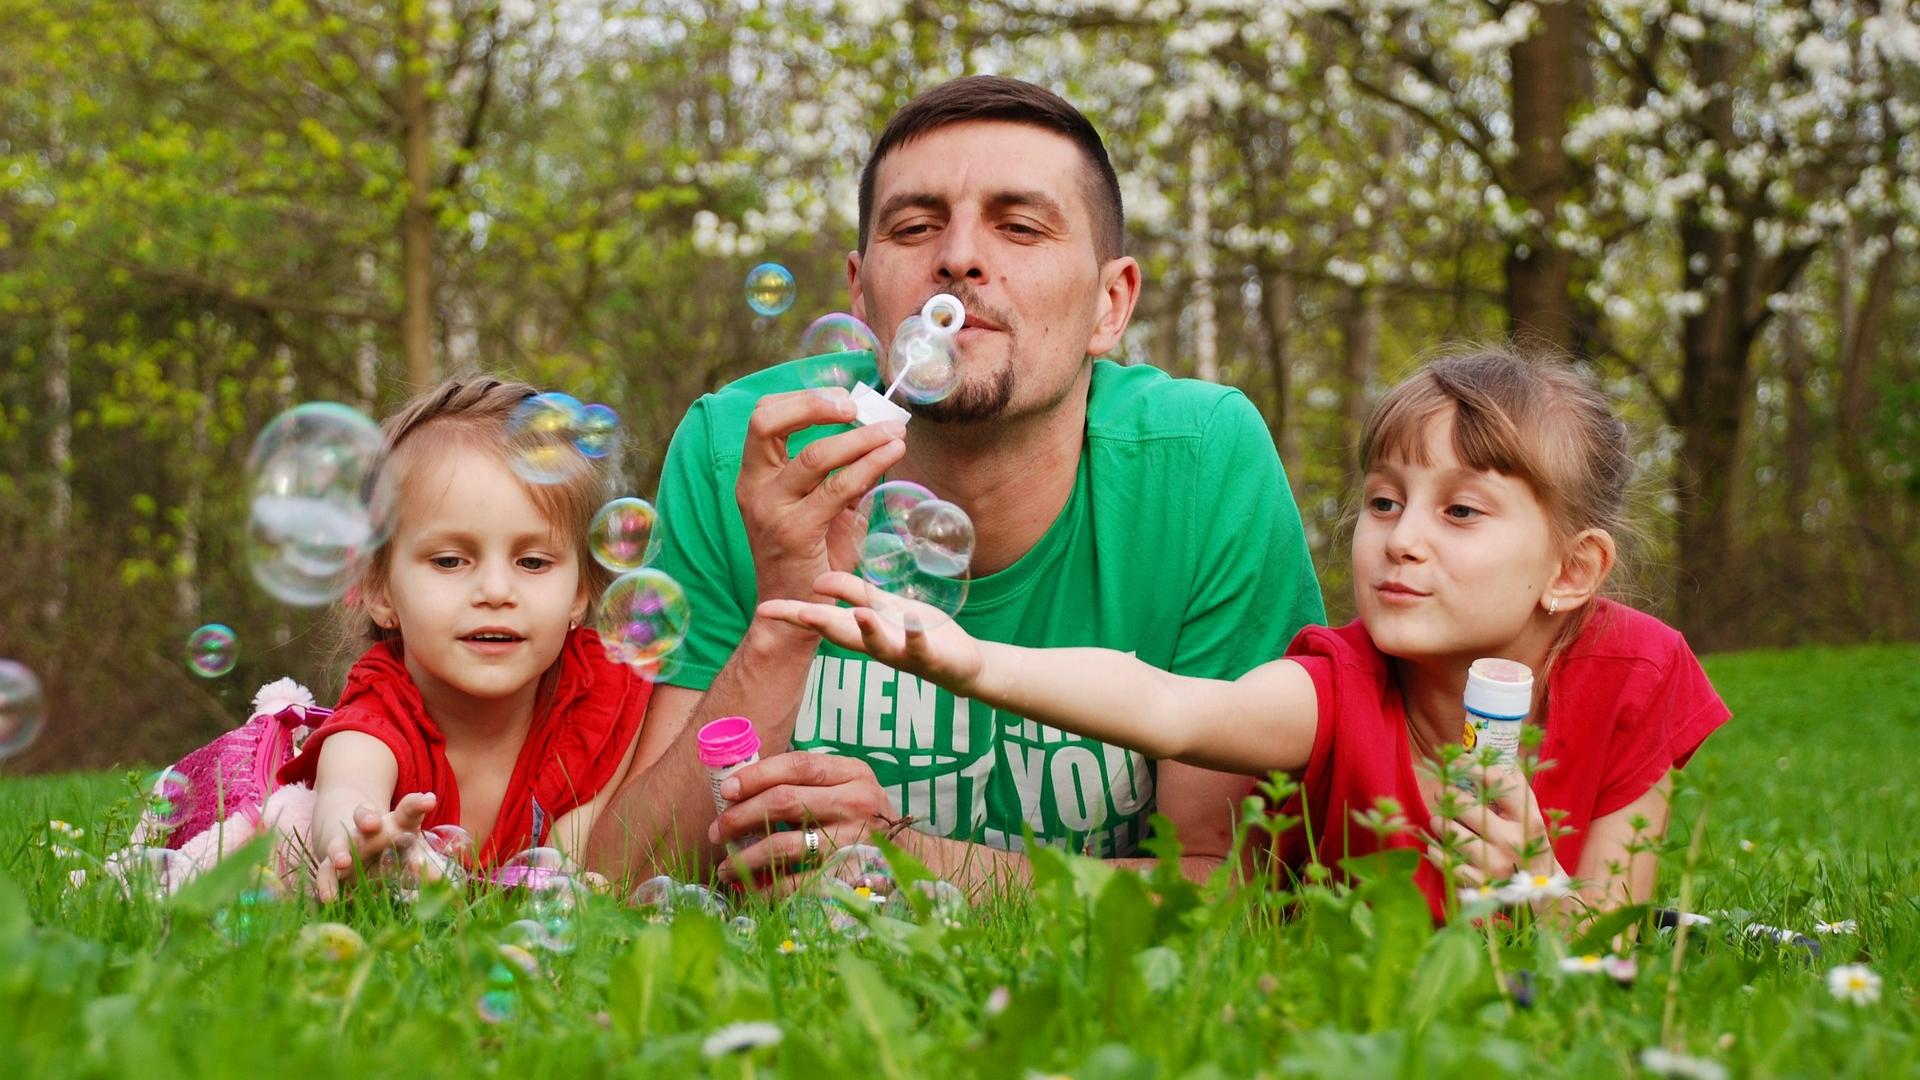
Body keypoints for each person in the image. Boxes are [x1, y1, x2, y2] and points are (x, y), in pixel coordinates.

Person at [587, 76, 1323, 886]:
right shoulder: (748, 451)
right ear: (861, 294)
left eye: (1019, 226)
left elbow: (1232, 891)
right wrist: (787, 619)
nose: (959, 257)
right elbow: (625, 877)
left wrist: (907, 859)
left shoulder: (1199, 462)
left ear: (1111, 306)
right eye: (915, 225)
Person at [762, 347, 1731, 918]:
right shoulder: (1340, 688)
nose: (1401, 541)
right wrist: (973, 660)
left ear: (1573, 571)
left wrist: (1534, 893)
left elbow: (1608, 949)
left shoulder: (1637, 675)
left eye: (1461, 513)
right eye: (1386, 502)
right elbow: (1169, 705)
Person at [269, 376, 653, 899]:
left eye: (533, 561)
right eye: (449, 560)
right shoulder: (383, 706)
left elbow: (570, 858)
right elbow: (348, 790)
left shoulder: (600, 696)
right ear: (381, 590)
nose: (496, 591)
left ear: (581, 593)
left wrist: (560, 886)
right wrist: (358, 842)